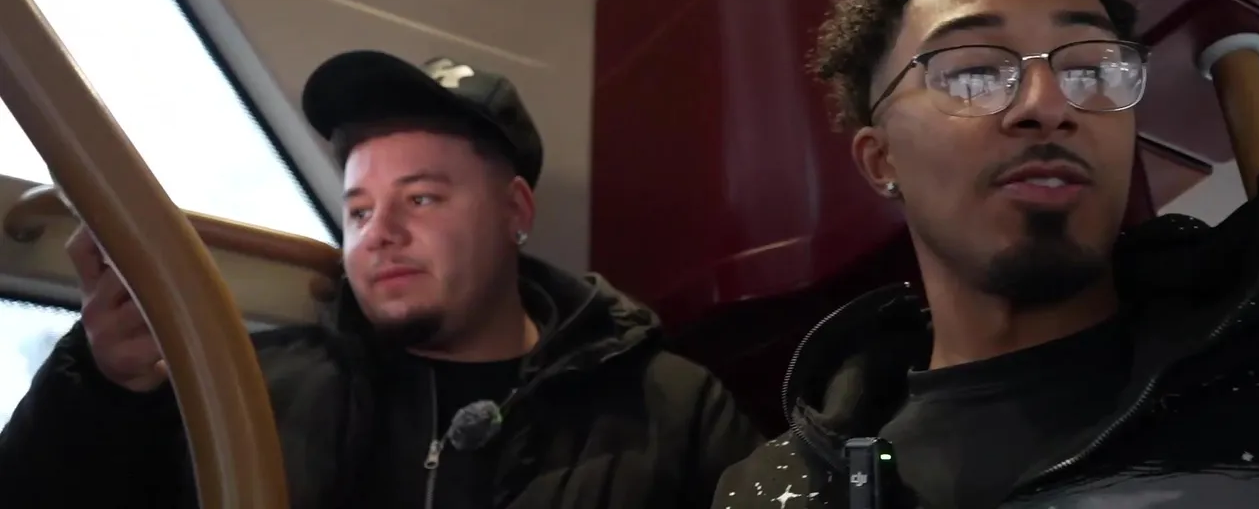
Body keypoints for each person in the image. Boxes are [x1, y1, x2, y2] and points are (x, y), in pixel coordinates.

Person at [712, 0, 1259, 509]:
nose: (1048, 105)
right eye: (972, 74)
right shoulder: (779, 493)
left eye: (1090, 72)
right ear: (882, 159)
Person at [0, 51, 760, 508]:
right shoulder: (250, 390)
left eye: (421, 199)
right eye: (359, 210)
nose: (380, 232)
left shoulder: (672, 407)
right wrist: (101, 387)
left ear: (514, 211)